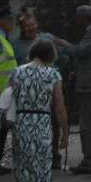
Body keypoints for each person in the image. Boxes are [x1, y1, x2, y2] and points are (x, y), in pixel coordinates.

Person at [54, 6, 91, 176]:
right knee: (88, 124)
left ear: (84, 18)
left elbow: (79, 51)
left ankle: (90, 161)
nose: (76, 22)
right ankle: (89, 160)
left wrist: (62, 44)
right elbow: (89, 57)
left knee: (87, 125)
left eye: (78, 18)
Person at [11, 38, 68, 182]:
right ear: (50, 55)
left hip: (21, 124)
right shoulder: (53, 75)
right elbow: (60, 107)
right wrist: (65, 132)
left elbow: (11, 99)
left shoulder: (16, 72)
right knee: (42, 172)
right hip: (42, 124)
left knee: (24, 173)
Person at [14, 11, 62, 170]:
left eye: (32, 24)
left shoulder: (47, 39)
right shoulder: (15, 45)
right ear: (21, 28)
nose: (30, 28)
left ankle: (54, 155)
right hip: (27, 93)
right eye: (27, 26)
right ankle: (28, 157)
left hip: (48, 88)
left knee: (53, 123)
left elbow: (61, 55)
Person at [0, 4, 17, 176]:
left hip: (4, 94)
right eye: (8, 19)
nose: (11, 22)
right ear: (0, 21)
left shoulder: (3, 37)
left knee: (1, 129)